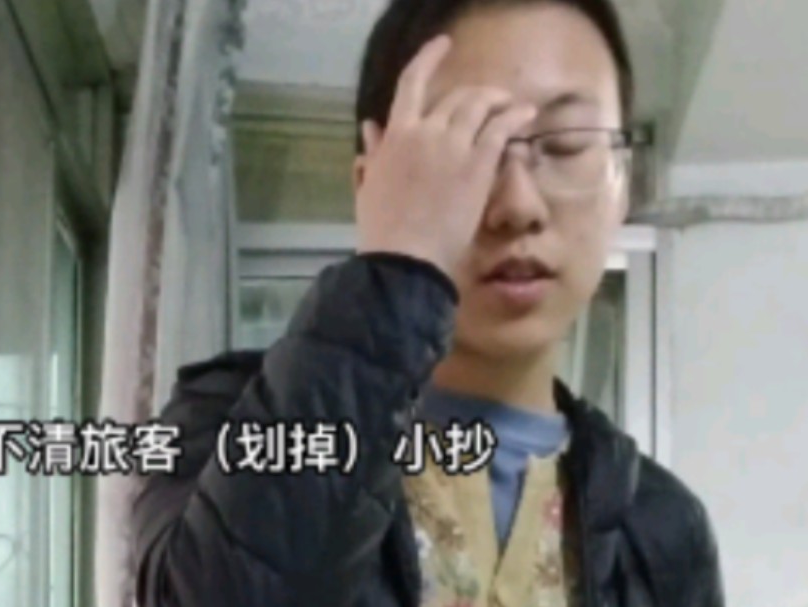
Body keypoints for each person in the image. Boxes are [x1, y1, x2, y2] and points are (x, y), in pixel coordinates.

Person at [131, 0, 725, 605]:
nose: (518, 204)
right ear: (373, 186)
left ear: (622, 183)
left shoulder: (664, 529)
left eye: (568, 144)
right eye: (467, 145)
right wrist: (397, 264)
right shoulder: (218, 425)